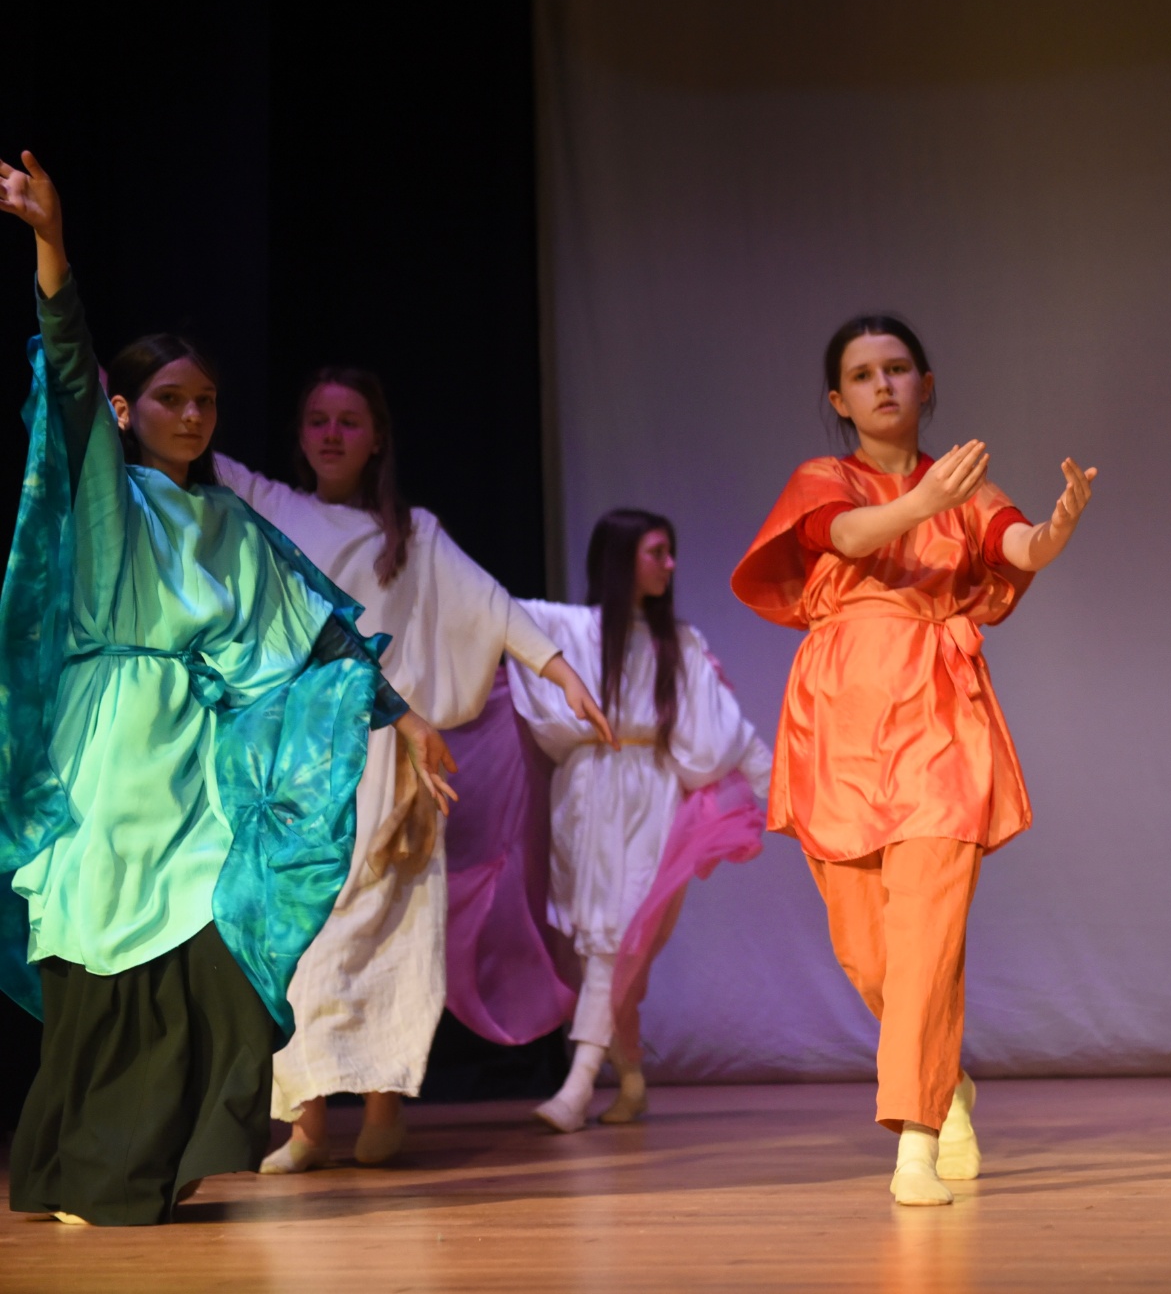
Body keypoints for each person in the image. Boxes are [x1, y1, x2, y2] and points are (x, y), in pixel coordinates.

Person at [0, 153, 455, 1224]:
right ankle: (85, 1169)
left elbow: (315, 633)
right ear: (127, 409)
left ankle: (142, 1165)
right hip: (111, 750)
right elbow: (67, 371)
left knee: (206, 948)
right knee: (106, 949)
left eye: (206, 401)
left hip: (195, 764)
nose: (193, 415)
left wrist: (408, 719)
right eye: (171, 399)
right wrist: (51, 245)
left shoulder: (228, 524)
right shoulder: (109, 496)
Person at [731, 315, 1096, 1206]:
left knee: (927, 933)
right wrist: (924, 503)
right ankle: (947, 1080)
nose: (883, 384)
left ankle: (916, 1143)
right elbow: (850, 536)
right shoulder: (825, 479)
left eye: (897, 368)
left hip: (939, 712)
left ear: (925, 384)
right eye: (863, 374)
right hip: (840, 720)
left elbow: (1015, 544)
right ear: (839, 398)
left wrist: (1053, 530)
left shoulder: (965, 485)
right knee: (868, 951)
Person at [217, 371, 612, 1173]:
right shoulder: (271, 506)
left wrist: (560, 668)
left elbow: (490, 605)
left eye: (349, 421)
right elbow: (189, 456)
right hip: (298, 759)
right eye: (318, 420)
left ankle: (383, 1109)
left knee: (389, 933)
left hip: (393, 757)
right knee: (304, 940)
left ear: (377, 439)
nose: (332, 434)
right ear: (300, 435)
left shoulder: (414, 534)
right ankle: (306, 1123)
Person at [513, 508, 770, 1133]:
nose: (670, 565)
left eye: (670, 552)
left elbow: (730, 733)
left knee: (614, 940)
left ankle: (577, 1089)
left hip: (647, 797)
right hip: (585, 794)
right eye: (657, 552)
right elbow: (491, 611)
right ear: (621, 557)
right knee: (598, 946)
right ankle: (631, 1080)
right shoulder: (569, 627)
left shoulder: (678, 642)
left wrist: (789, 798)